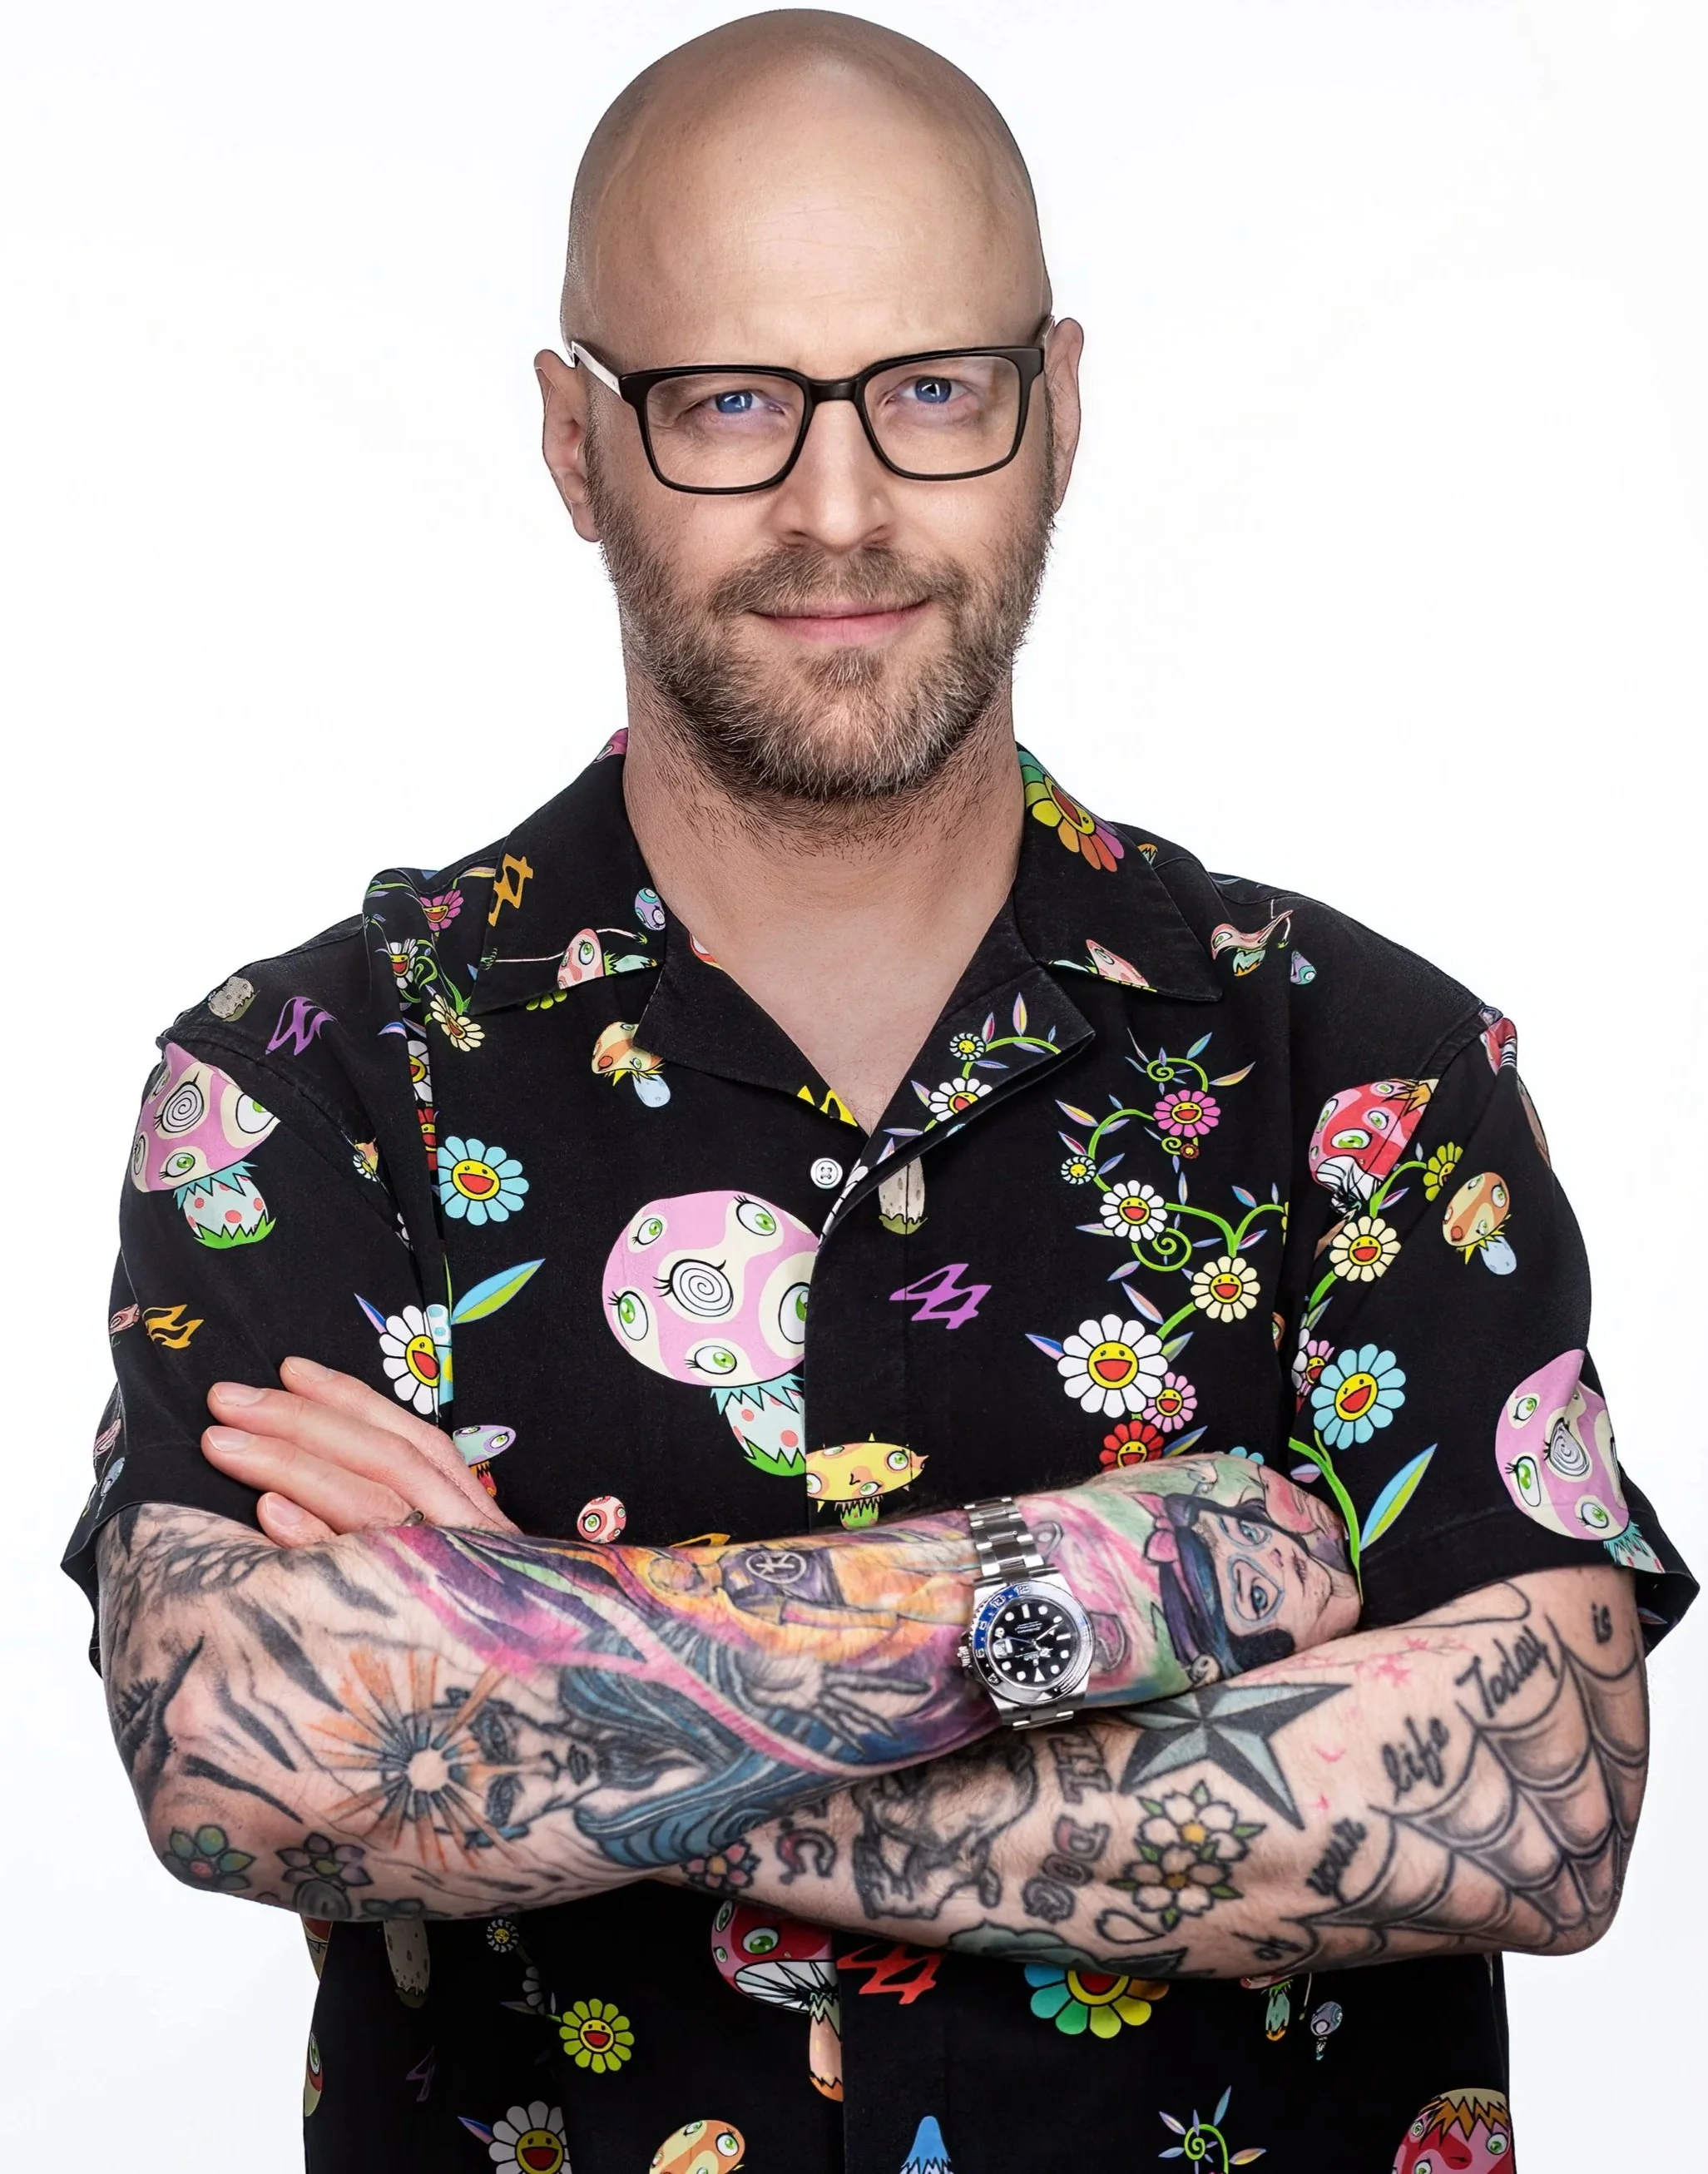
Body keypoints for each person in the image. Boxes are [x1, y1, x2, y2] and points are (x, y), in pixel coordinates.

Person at [68, 12, 1693, 2173]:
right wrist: (1135, 1575)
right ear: (573, 440)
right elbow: (250, 1748)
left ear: (1058, 409)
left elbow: (1535, 1803)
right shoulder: (310, 1086)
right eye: (727, 401)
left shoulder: (1359, 1066)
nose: (838, 507)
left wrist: (549, 1670)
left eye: (928, 390)